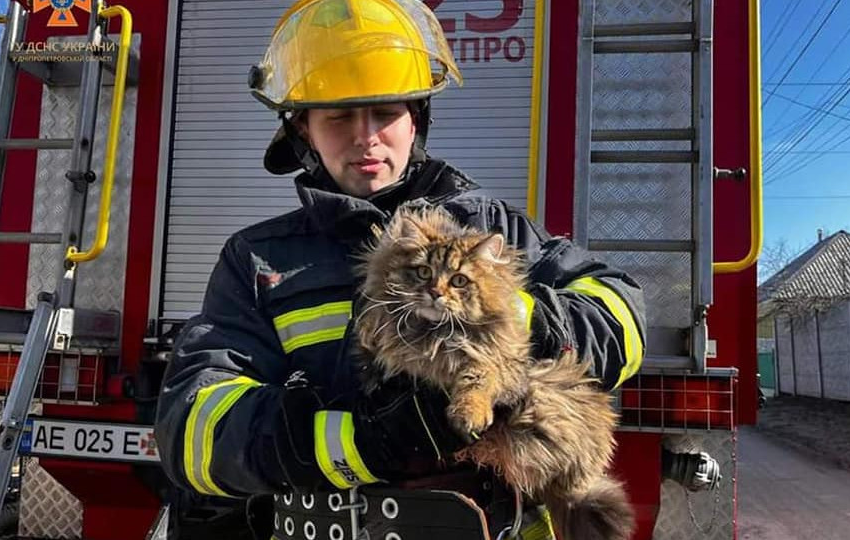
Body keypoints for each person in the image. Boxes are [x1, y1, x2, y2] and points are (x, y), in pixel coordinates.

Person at [154, 1, 647, 539]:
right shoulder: (258, 260)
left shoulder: (489, 225)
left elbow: (620, 307)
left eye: (385, 112)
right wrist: (361, 442)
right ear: (303, 131)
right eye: (338, 116)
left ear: (416, 119)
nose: (366, 137)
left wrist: (518, 320)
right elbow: (191, 429)